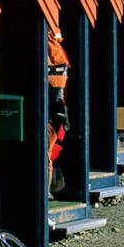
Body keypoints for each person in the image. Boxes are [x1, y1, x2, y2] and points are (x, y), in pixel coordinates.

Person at [47, 31, 70, 197]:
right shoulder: (58, 51)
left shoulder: (54, 51)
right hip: (57, 111)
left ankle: (46, 191)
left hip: (53, 111)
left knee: (47, 152)